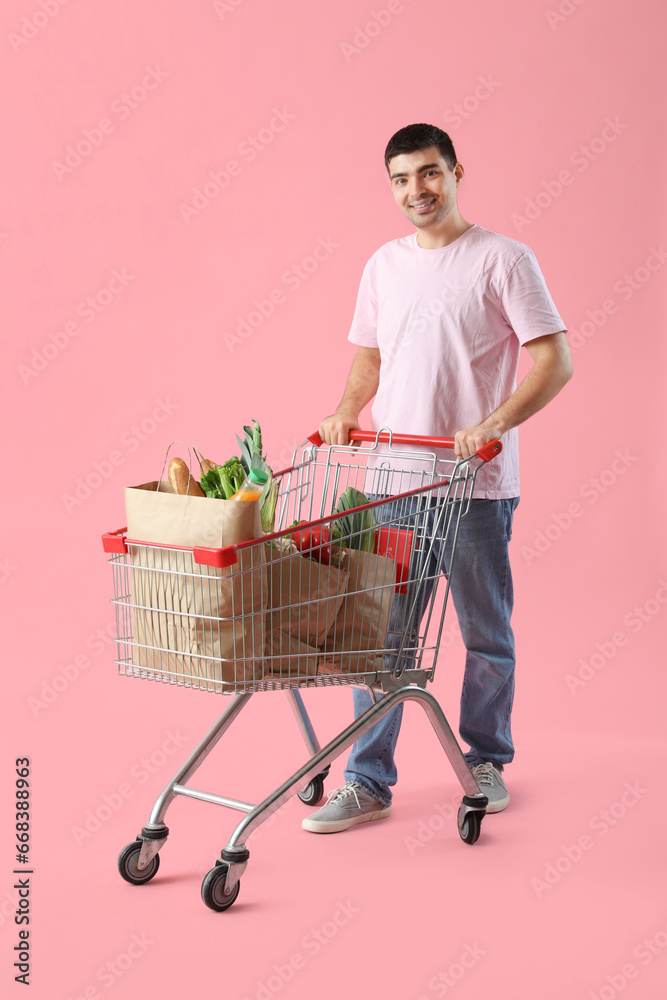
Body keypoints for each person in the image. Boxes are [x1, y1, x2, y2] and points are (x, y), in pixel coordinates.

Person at [302, 122, 573, 834]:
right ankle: (367, 780)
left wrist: (494, 423)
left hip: (472, 487)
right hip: (394, 481)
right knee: (383, 636)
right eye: (400, 179)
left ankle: (485, 758)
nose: (415, 191)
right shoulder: (382, 266)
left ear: (455, 173)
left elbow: (554, 361)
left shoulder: (503, 260)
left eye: (428, 174)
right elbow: (371, 359)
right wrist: (342, 411)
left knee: (484, 631)